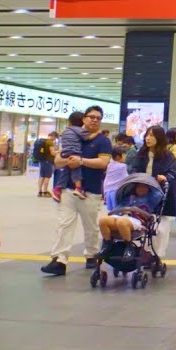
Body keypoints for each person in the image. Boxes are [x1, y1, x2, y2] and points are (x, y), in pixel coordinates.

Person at [41, 106, 113, 276]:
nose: (94, 120)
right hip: (68, 189)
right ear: (84, 119)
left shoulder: (103, 141)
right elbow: (58, 161)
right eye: (91, 117)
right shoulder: (73, 135)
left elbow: (103, 163)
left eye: (98, 118)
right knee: (64, 224)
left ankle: (91, 254)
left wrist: (81, 161)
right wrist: (68, 161)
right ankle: (59, 260)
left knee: (91, 226)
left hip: (91, 190)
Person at [129, 125, 176, 259]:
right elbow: (133, 169)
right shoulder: (141, 154)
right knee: (141, 225)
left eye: (152, 135)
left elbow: (173, 173)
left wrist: (165, 177)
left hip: (161, 194)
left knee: (160, 228)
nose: (148, 138)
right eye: (147, 135)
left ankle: (156, 254)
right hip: (142, 193)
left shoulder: (168, 156)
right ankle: (143, 253)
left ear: (159, 138)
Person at [54, 111, 101, 202]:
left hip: (65, 152)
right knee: (76, 169)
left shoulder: (66, 130)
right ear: (83, 121)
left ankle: (57, 188)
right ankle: (78, 188)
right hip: (74, 152)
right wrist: (98, 133)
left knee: (66, 171)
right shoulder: (79, 130)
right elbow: (88, 137)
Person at [97, 181, 164, 243]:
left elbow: (158, 195)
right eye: (139, 186)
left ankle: (127, 245)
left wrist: (151, 183)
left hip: (138, 220)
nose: (141, 188)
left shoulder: (150, 199)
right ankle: (107, 244)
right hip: (122, 216)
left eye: (144, 187)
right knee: (103, 220)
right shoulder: (127, 198)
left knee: (122, 222)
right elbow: (117, 208)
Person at [101, 147, 129, 213]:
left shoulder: (109, 165)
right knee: (118, 209)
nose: (125, 158)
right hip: (117, 191)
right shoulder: (122, 166)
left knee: (111, 210)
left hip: (108, 190)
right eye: (124, 156)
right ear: (117, 157)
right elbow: (126, 177)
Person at [35, 132, 57, 197]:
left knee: (42, 176)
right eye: (55, 138)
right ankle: (45, 192)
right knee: (47, 177)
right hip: (48, 161)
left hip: (42, 160)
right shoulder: (50, 142)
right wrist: (59, 152)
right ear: (53, 136)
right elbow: (52, 153)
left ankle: (40, 192)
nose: (55, 139)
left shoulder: (44, 141)